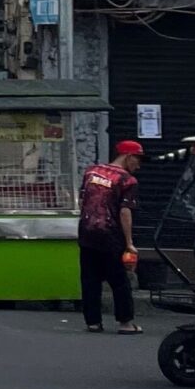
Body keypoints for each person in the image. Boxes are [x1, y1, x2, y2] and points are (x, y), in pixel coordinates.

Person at [78, 139, 144, 333]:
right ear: (128, 156)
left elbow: (83, 199)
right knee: (119, 280)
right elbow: (125, 211)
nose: (138, 166)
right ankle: (125, 322)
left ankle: (93, 321)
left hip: (87, 232)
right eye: (138, 160)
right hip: (110, 235)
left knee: (90, 279)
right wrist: (130, 243)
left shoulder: (91, 172)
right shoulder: (127, 180)